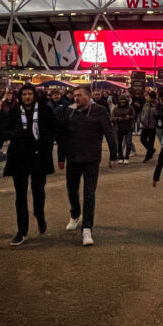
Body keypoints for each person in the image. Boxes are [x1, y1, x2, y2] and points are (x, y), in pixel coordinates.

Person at [56, 86, 118, 247]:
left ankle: (87, 228)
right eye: (74, 95)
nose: (76, 98)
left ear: (88, 96)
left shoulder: (100, 111)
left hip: (92, 159)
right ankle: (75, 214)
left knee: (89, 193)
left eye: (80, 95)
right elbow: (62, 135)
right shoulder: (69, 112)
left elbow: (109, 132)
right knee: (71, 189)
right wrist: (61, 157)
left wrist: (113, 155)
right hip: (73, 158)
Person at [4, 84, 57, 246]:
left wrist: (44, 145)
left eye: (30, 94)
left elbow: (52, 130)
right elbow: (5, 130)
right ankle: (22, 231)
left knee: (38, 190)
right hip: (19, 157)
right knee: (20, 195)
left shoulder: (44, 110)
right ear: (20, 96)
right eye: (24, 94)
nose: (27, 97)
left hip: (38, 156)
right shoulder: (14, 111)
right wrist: (16, 134)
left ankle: (39, 216)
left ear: (35, 95)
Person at [111, 94, 135, 164]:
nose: (122, 103)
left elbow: (134, 116)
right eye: (121, 102)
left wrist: (129, 117)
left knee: (129, 143)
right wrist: (118, 118)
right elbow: (111, 118)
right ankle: (121, 157)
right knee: (119, 143)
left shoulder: (130, 108)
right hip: (118, 128)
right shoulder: (115, 108)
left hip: (128, 127)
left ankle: (127, 157)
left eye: (123, 102)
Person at [140, 91, 159, 162]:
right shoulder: (146, 104)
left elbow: (157, 115)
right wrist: (142, 119)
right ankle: (151, 150)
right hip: (145, 125)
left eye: (151, 98)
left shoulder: (157, 105)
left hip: (152, 126)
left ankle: (148, 156)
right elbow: (143, 112)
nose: (149, 99)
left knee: (151, 142)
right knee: (142, 139)